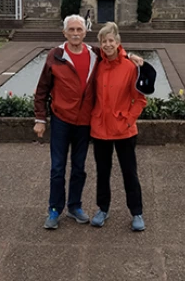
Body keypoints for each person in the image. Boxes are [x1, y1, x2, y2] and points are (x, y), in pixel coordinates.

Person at [33, 15, 142, 230]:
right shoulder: (56, 55)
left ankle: (75, 206)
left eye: (79, 30)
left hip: (85, 123)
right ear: (64, 33)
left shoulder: (94, 54)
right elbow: (42, 89)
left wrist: (130, 55)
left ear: (85, 32)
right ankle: (55, 210)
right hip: (64, 120)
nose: (75, 33)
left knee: (80, 168)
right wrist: (40, 119)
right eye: (71, 30)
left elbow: (115, 53)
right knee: (58, 168)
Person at [89, 22, 148, 232]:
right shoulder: (96, 64)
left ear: (118, 42)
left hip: (123, 128)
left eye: (111, 41)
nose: (107, 45)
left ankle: (137, 212)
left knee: (129, 172)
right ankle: (102, 209)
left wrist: (129, 120)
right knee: (103, 172)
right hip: (100, 127)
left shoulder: (130, 67)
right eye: (104, 41)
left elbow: (140, 99)